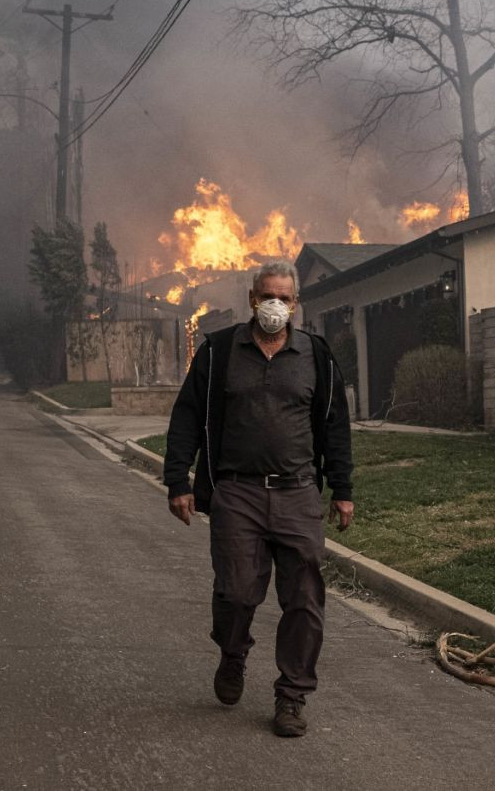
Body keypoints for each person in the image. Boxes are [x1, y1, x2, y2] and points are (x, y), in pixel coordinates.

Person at [163, 261, 355, 737]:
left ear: (295, 303)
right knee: (235, 592)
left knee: (305, 601)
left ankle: (291, 696)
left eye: (284, 298)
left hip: (298, 493)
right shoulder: (221, 350)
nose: (275, 305)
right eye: (267, 295)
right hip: (237, 492)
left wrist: (343, 489)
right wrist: (178, 479)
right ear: (253, 298)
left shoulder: (316, 354)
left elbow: (335, 426)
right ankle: (232, 654)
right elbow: (188, 414)